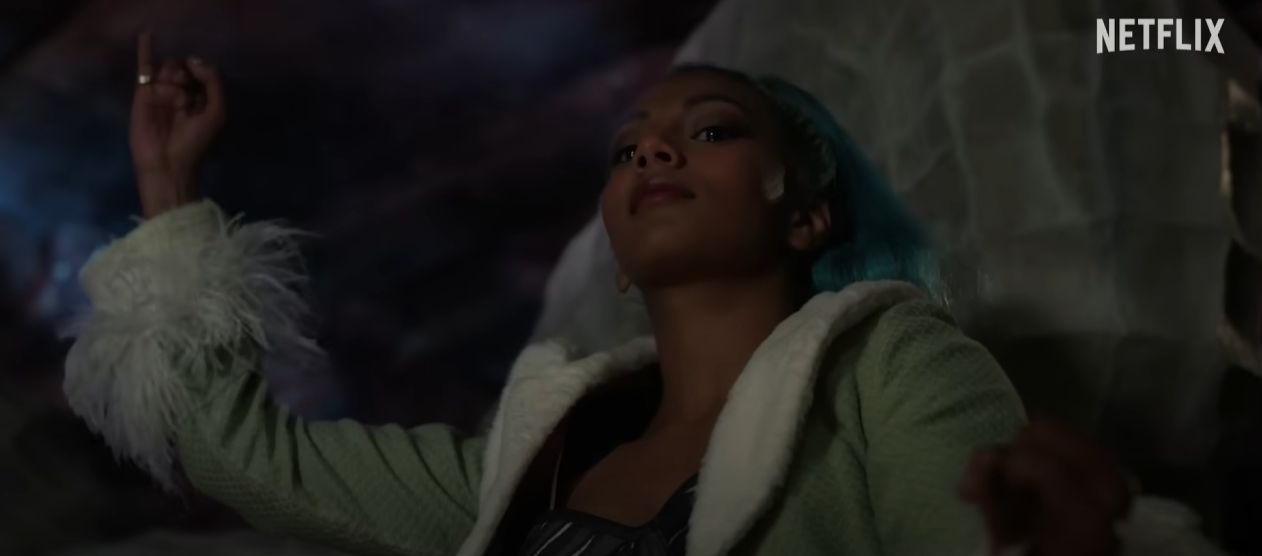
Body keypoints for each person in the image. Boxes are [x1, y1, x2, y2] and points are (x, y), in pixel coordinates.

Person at [63, 33, 1219, 556]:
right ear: (618, 250)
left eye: (710, 131)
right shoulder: (530, 452)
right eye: (627, 150)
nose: (654, 151)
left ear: (804, 217)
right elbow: (244, 455)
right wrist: (169, 185)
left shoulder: (890, 364)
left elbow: (972, 535)